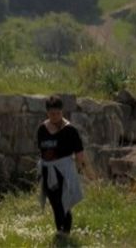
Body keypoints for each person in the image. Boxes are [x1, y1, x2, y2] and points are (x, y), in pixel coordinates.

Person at [37, 95, 87, 236]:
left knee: (63, 200)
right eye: (52, 114)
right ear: (47, 113)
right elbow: (41, 149)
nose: (55, 116)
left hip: (64, 170)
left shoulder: (70, 130)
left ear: (62, 112)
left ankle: (65, 231)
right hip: (48, 170)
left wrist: (79, 168)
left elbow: (79, 153)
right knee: (53, 202)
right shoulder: (42, 129)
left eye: (58, 113)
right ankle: (60, 229)